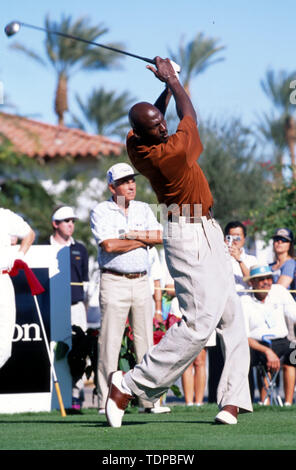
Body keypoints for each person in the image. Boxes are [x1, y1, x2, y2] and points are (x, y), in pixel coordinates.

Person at [105, 56, 253, 427]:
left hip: (207, 228)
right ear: (147, 135)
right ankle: (129, 384)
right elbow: (192, 115)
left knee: (232, 315)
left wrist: (162, 95)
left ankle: (231, 401)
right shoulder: (170, 154)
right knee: (199, 322)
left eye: (161, 122)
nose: (163, 126)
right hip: (184, 232)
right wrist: (172, 80)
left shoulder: (135, 144)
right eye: (156, 127)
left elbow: (155, 116)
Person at [90, 162, 163, 414]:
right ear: (112, 186)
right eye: (124, 181)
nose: (131, 185)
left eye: (132, 180)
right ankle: (105, 401)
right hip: (114, 281)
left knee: (146, 345)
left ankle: (149, 401)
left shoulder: (143, 208)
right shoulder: (101, 210)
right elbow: (108, 246)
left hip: (142, 280)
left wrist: (129, 237)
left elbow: (161, 236)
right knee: (109, 344)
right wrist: (141, 238)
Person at [49, 205, 89, 410]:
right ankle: (56, 397)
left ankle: (75, 396)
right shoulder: (45, 249)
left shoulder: (80, 249)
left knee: (79, 352)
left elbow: (86, 281)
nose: (71, 225)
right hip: (53, 309)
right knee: (56, 352)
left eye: (72, 221)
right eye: (66, 221)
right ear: (55, 224)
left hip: (76, 308)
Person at [241, 265, 296, 405]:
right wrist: (267, 351)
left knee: (293, 354)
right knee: (244, 358)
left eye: (269, 278)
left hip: (281, 341)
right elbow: (244, 336)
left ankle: (288, 403)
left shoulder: (280, 291)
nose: (266, 282)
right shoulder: (244, 301)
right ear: (252, 282)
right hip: (256, 345)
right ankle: (262, 402)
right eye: (261, 279)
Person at [0, 207, 35, 369]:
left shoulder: (5, 216)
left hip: (2, 279)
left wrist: (19, 256)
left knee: (4, 347)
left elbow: (29, 234)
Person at [269, 228, 296, 401]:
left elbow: (280, 287)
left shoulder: (291, 263)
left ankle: (288, 401)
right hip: (272, 315)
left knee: (291, 359)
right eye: (277, 239)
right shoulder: (271, 266)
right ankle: (268, 399)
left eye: (283, 240)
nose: (279, 242)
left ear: (290, 244)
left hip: (289, 316)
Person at [224, 221, 257, 293]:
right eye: (231, 237)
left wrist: (239, 260)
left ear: (244, 239)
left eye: (238, 237)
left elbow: (252, 283)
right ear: (226, 238)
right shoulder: (219, 259)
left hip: (246, 299)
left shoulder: (252, 260)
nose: (235, 240)